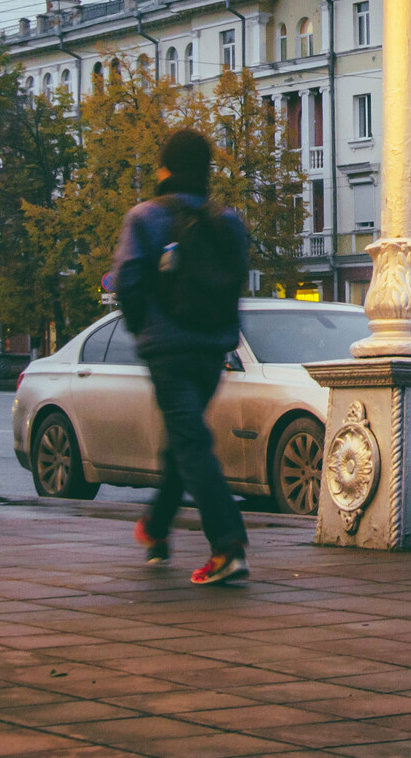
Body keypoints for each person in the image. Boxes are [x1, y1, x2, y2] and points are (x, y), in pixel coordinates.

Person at [111, 129, 252, 586]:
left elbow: (126, 280)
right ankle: (155, 527)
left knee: (190, 442)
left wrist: (143, 329)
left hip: (167, 346)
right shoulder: (227, 220)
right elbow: (236, 279)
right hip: (213, 346)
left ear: (165, 167)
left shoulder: (144, 217)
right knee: (183, 437)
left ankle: (228, 543)